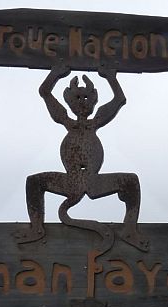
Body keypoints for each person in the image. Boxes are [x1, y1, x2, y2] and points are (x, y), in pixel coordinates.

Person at [14, 63, 148, 252]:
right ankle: (36, 228)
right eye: (77, 97)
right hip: (70, 180)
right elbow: (45, 92)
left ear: (93, 101)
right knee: (34, 182)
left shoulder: (98, 119)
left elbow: (119, 99)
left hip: (93, 180)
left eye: (86, 97)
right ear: (69, 101)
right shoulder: (65, 119)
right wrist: (55, 74)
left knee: (130, 181)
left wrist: (111, 77)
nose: (82, 101)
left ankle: (130, 229)